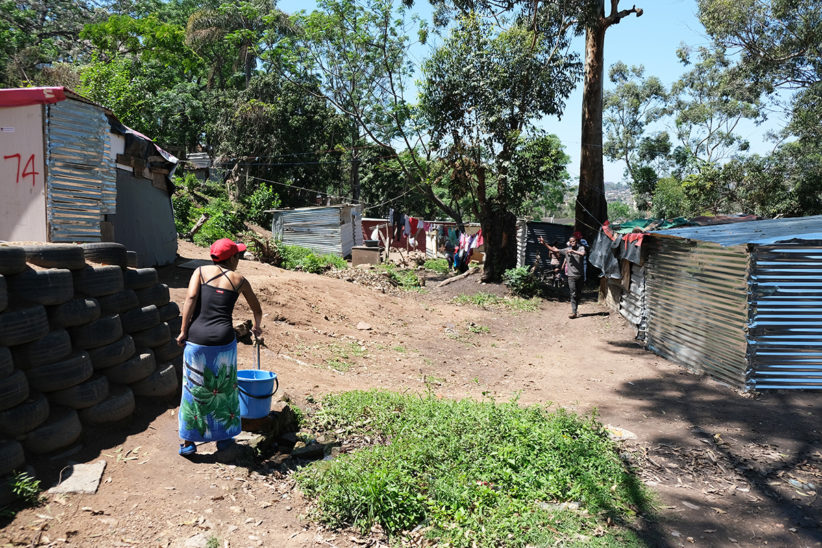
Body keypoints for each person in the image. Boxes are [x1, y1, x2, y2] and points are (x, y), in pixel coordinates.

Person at [175, 238, 263, 457]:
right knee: (224, 387)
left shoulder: (200, 271)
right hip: (224, 340)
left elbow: (191, 298)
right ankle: (223, 438)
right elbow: (257, 309)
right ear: (232, 258)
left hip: (197, 337)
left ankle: (188, 442)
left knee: (193, 388)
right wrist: (257, 328)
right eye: (238, 256)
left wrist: (183, 330)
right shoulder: (239, 279)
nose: (239, 260)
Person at [539, 235, 586, 319]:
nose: (572, 243)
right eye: (570, 241)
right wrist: (544, 243)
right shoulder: (566, 250)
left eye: (573, 241)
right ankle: (574, 312)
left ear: (576, 242)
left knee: (578, 294)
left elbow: (583, 254)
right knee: (573, 293)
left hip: (580, 275)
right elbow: (554, 249)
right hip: (571, 276)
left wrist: (573, 251)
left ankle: (576, 308)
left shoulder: (581, 248)